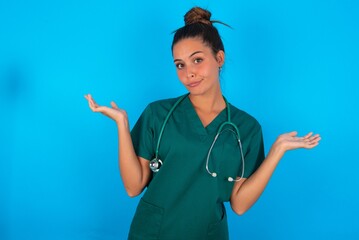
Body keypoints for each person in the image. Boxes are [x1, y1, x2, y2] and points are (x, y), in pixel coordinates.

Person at [84, 6, 321, 240]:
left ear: (219, 58)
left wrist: (276, 151)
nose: (189, 73)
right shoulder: (158, 114)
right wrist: (122, 125)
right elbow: (133, 187)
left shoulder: (246, 128)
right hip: (153, 233)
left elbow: (239, 205)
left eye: (197, 60)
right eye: (180, 65)